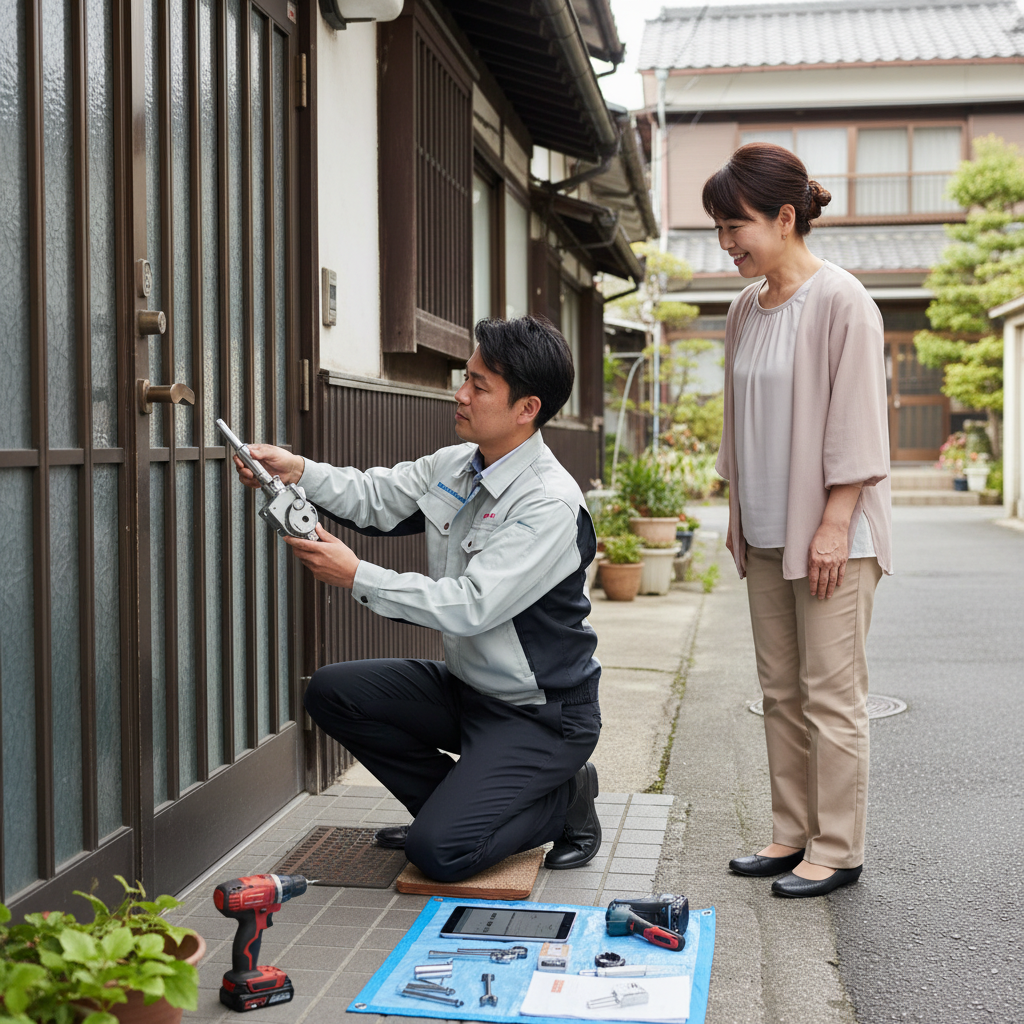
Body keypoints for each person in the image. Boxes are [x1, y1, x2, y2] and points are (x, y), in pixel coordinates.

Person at [233, 316, 602, 883]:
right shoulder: (458, 463)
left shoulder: (549, 504)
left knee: (439, 855)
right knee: (335, 693)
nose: (461, 394)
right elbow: (375, 496)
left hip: (541, 714)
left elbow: (472, 604)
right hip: (470, 692)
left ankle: (564, 800)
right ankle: (448, 813)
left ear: (527, 408)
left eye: (480, 386)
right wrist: (298, 471)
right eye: (466, 376)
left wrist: (358, 575)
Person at [704, 143, 893, 898]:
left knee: (831, 694)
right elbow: (737, 420)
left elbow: (857, 421)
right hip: (767, 525)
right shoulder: (743, 310)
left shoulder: (844, 300)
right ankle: (791, 832)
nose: (725, 243)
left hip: (833, 536)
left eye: (735, 225)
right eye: (718, 227)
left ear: (785, 218)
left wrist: (836, 522)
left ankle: (838, 847)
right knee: (780, 690)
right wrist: (736, 508)